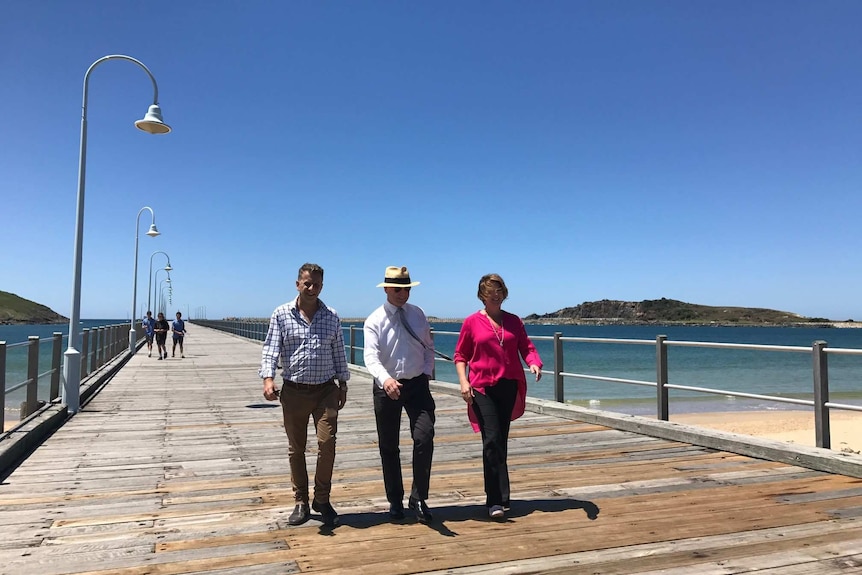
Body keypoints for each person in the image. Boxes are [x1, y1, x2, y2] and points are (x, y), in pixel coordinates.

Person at [259, 263, 349, 527]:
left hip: (325, 389)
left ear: (322, 287)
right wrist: (268, 379)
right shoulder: (281, 314)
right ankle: (301, 501)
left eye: (317, 285)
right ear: (298, 283)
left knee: (327, 443)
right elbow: (270, 349)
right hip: (294, 390)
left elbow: (339, 353)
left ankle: (322, 498)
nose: (312, 289)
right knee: (296, 449)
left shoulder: (331, 316)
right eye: (307, 283)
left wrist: (343, 384)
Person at [454, 273, 542, 520]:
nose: (496, 296)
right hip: (482, 387)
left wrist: (534, 363)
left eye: (499, 291)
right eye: (490, 292)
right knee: (491, 440)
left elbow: (526, 347)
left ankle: (503, 497)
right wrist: (463, 382)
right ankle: (493, 501)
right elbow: (460, 356)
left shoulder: (514, 321)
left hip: (508, 386)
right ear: (482, 295)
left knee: (500, 440)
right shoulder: (471, 322)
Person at [363, 266, 436, 523]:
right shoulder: (374, 320)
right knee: (388, 446)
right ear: (385, 290)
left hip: (417, 385)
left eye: (406, 289)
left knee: (424, 437)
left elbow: (429, 346)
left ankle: (419, 497)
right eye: (397, 289)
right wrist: (386, 380)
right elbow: (370, 357)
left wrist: (426, 372)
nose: (402, 294)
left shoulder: (418, 314)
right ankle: (395, 500)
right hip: (387, 386)